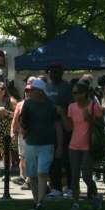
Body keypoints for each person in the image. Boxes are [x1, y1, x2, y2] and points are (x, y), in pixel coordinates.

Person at [19, 78, 62, 210]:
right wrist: (23, 133)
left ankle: (40, 201)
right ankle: (36, 201)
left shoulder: (51, 106)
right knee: (32, 175)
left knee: (42, 173)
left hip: (47, 144)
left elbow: (58, 126)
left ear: (40, 91)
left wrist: (60, 145)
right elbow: (23, 122)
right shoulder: (27, 104)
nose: (30, 92)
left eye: (33, 90)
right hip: (31, 143)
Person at [62, 80, 104, 210]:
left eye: (76, 93)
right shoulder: (72, 107)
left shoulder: (93, 106)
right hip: (73, 146)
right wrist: (62, 115)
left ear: (84, 93)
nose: (74, 95)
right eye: (73, 93)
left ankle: (95, 196)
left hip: (88, 146)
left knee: (86, 176)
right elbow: (69, 128)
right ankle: (75, 203)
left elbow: (102, 126)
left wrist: (91, 119)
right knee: (74, 176)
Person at [42, 62, 73, 199]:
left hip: (65, 127)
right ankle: (56, 188)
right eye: (51, 70)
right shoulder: (46, 87)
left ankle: (71, 187)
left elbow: (71, 107)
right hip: (49, 128)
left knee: (66, 159)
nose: (53, 73)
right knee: (52, 159)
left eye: (56, 71)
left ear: (61, 72)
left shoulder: (67, 87)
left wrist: (61, 112)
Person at [0, 80, 16, 178]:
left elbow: (17, 115)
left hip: (7, 129)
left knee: (6, 152)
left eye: (2, 88)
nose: (0, 90)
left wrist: (7, 112)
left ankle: (6, 173)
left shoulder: (11, 101)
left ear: (6, 90)